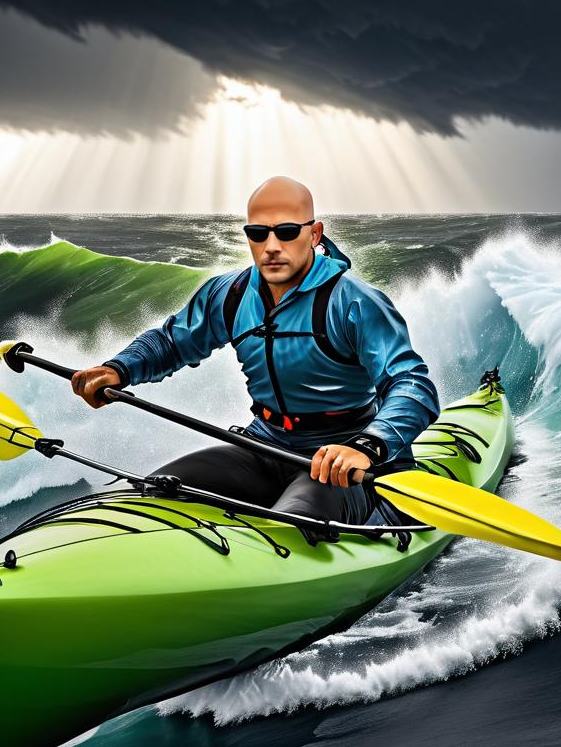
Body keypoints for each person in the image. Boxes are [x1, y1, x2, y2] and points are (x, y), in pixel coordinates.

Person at [71, 176, 440, 543]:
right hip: (263, 446)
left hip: (339, 460)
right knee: (155, 491)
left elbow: (412, 384)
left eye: (287, 231)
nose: (271, 246)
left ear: (314, 234)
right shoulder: (230, 293)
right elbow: (172, 342)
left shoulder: (353, 301)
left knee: (289, 529)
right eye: (258, 233)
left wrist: (367, 446)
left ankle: (381, 512)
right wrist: (118, 369)